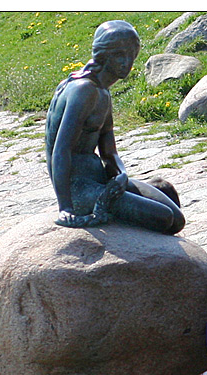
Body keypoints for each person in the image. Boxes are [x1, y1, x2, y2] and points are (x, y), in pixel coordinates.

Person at [44, 20, 184, 234]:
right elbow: (60, 150)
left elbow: (109, 152)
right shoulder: (84, 90)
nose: (126, 63)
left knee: (177, 219)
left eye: (131, 56)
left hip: (100, 178)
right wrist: (66, 207)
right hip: (79, 188)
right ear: (103, 54)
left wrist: (121, 176)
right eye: (119, 55)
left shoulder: (103, 92)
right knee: (164, 218)